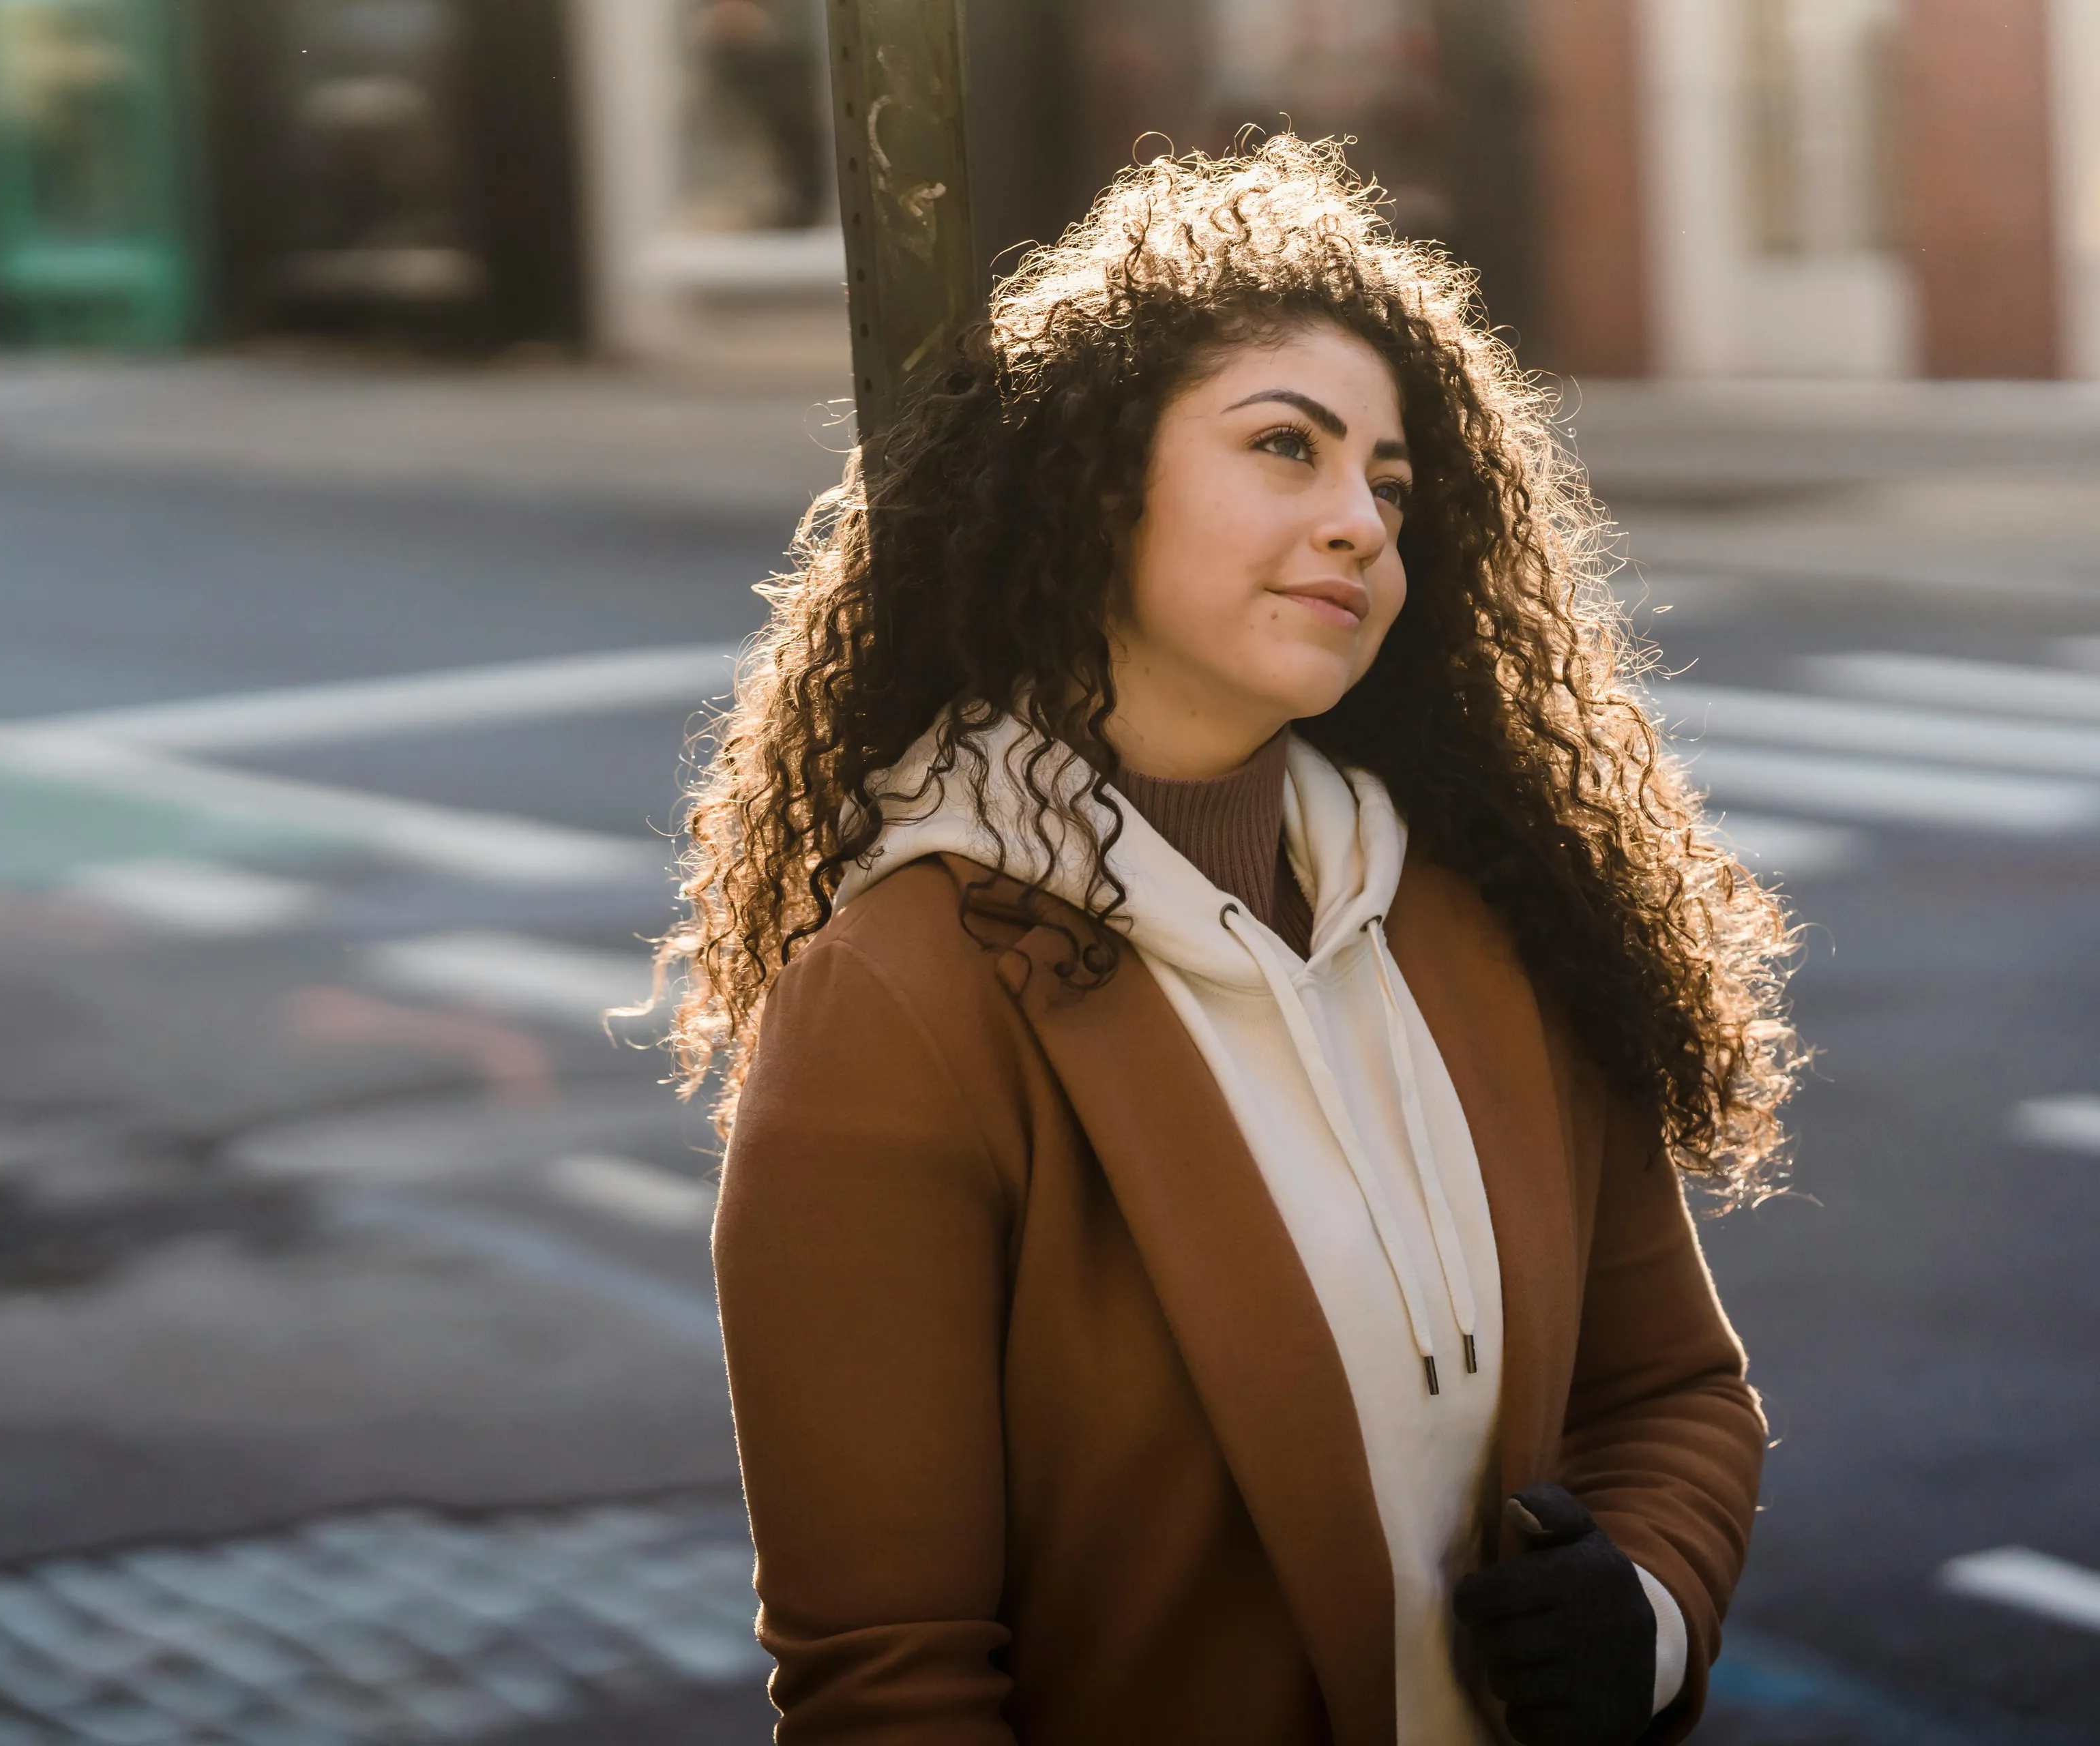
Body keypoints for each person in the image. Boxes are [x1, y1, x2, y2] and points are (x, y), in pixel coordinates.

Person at [660, 138, 1798, 1745]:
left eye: (1390, 487)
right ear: (1095, 483)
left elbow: (1669, 1390)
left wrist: (1651, 1613)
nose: (1361, 525)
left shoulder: (1490, 915)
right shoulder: (901, 999)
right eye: (1286, 448)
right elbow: (890, 1679)